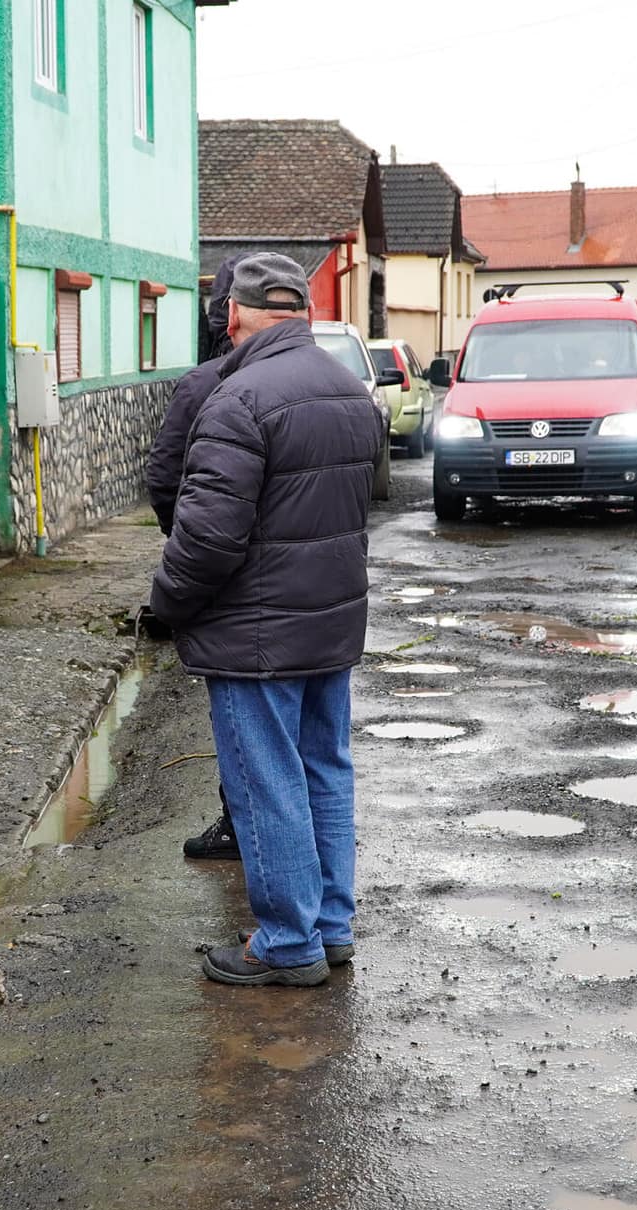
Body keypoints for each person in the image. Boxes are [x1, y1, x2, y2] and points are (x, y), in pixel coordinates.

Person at [150, 253, 382, 988]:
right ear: (301, 312)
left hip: (254, 633)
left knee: (266, 782)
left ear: (233, 314)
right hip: (329, 622)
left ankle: (286, 943)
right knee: (324, 770)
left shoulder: (238, 397)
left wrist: (166, 605)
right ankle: (330, 926)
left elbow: (208, 535)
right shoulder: (348, 389)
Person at [145, 255, 244, 863]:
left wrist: (181, 542)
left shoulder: (202, 384)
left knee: (238, 718)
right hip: (311, 596)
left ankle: (240, 826)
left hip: (222, 585)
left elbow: (163, 474)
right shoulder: (323, 380)